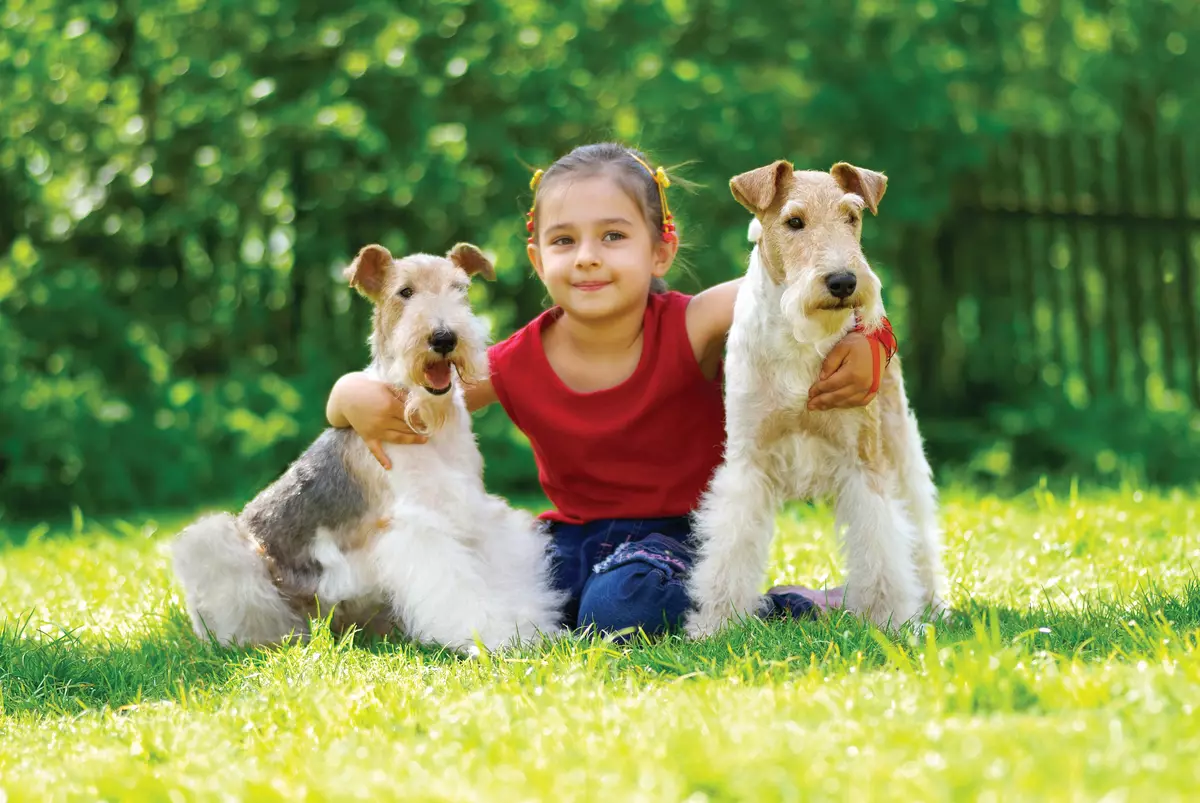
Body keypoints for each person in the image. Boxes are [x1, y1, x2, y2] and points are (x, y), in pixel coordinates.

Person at [326, 142, 897, 637]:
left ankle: (786, 605)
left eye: (614, 236)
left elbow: (805, 286)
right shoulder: (519, 359)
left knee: (623, 607)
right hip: (570, 541)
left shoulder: (692, 322)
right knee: (512, 585)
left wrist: (878, 343)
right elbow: (415, 400)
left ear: (660, 251)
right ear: (537, 261)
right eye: (565, 240)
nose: (589, 256)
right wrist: (345, 395)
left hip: (672, 542)